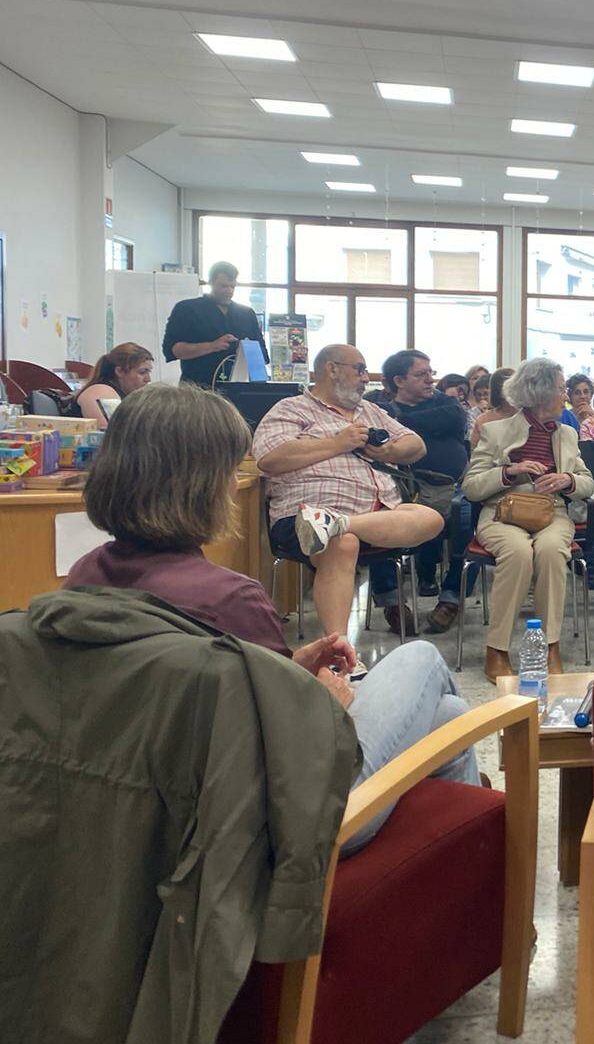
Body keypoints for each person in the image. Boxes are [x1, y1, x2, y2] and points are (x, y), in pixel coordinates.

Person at [65, 382, 478, 854]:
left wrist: (292, 666)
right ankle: (464, 871)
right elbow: (287, 733)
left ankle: (464, 860)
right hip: (288, 815)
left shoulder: (86, 574)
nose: (234, 485)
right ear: (206, 485)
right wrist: (326, 699)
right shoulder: (227, 598)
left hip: (160, 794)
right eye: (229, 471)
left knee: (448, 716)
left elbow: (212, 694)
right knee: (421, 659)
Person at [253, 344, 443, 639]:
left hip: (379, 514)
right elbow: (269, 457)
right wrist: (337, 443)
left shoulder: (370, 410)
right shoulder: (291, 408)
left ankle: (336, 524)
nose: (366, 378)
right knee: (343, 544)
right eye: (360, 369)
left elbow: (415, 445)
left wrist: (387, 452)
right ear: (332, 369)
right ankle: (338, 647)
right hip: (303, 517)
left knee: (432, 519)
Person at [464, 358, 594, 678]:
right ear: (540, 392)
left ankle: (549, 646)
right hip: (501, 512)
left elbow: (589, 484)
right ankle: (497, 650)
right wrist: (509, 472)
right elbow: (471, 487)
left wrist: (567, 480)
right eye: (561, 389)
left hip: (553, 512)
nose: (566, 396)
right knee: (518, 552)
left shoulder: (567, 433)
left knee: (551, 550)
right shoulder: (495, 430)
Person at [370, 349, 471, 633]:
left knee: (473, 520)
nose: (430, 379)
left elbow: (454, 419)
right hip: (400, 489)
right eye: (421, 374)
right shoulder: (380, 408)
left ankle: (451, 598)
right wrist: (410, 420)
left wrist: (398, 421)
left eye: (430, 372)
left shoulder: (447, 404)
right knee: (372, 517)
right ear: (399, 381)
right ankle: (392, 602)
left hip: (452, 488)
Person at [161, 260, 266, 387]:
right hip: (197, 388)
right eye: (223, 286)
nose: (229, 291)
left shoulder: (247, 314)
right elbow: (175, 350)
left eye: (233, 286)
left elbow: (262, 356)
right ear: (210, 282)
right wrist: (212, 346)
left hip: (239, 389)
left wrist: (246, 349)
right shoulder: (187, 309)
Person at [75, 342, 154, 427]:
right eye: (142, 372)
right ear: (119, 371)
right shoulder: (101, 391)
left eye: (148, 372)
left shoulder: (123, 394)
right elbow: (114, 432)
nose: (148, 379)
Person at [470, 366, 516, 446]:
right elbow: (475, 448)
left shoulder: (527, 416)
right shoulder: (483, 419)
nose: (482, 398)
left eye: (485, 394)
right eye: (479, 394)